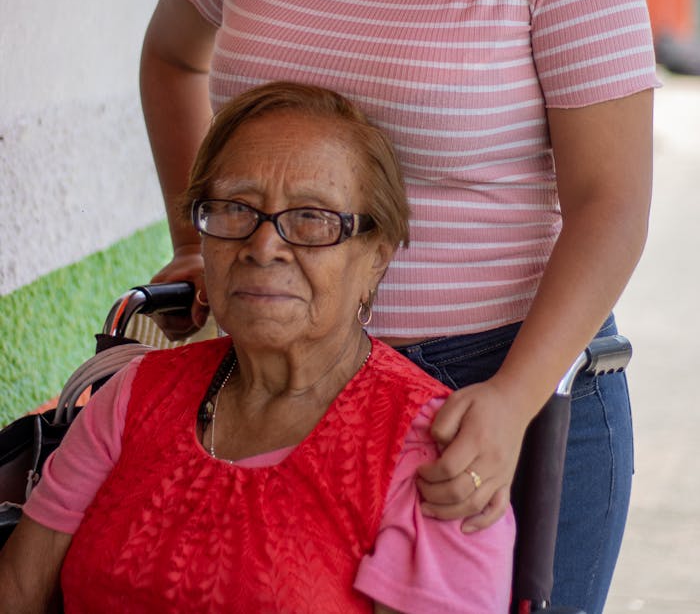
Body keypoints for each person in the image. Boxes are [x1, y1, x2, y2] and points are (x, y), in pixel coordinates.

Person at [138, 0, 659, 614]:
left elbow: (612, 206)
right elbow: (169, 60)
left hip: (494, 389)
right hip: (274, 381)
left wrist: (511, 402)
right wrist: (205, 241)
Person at [0, 82, 515, 614]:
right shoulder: (136, 395)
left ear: (376, 258)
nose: (264, 246)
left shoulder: (436, 456)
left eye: (312, 218)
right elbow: (17, 589)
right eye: (235, 209)